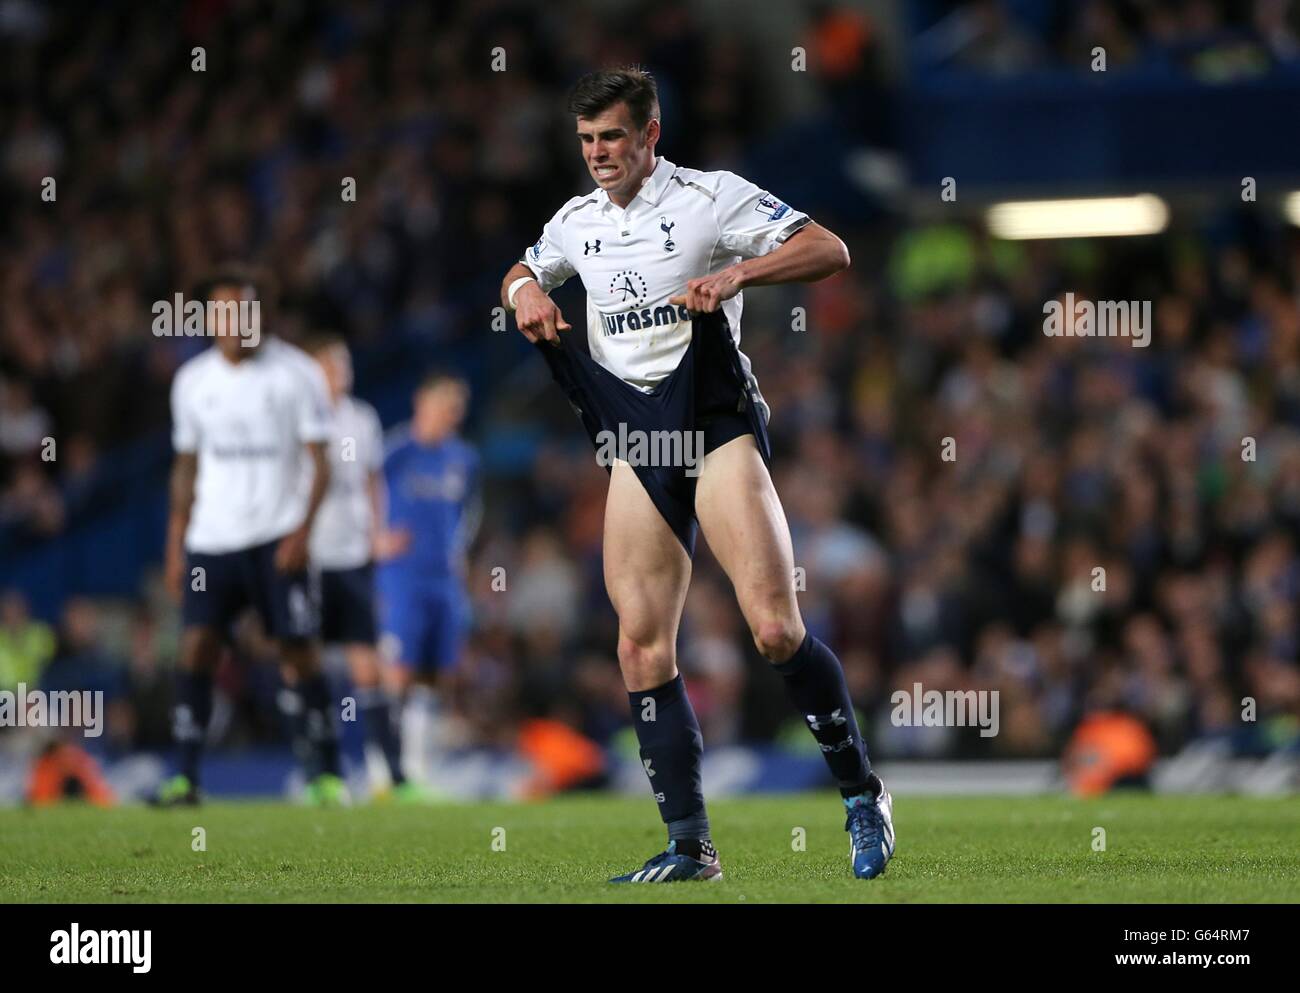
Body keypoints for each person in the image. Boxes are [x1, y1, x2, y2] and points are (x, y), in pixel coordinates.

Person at [500, 67, 893, 882]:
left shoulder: (712, 197)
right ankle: (690, 846)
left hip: (712, 421)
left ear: (650, 135)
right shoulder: (574, 222)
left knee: (775, 628)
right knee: (642, 648)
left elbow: (829, 247)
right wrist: (526, 292)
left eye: (612, 137)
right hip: (636, 439)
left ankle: (863, 795)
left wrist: (741, 273)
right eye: (586, 141)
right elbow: (520, 270)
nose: (599, 154)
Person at [158, 266, 344, 806]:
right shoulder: (192, 382)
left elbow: (322, 461)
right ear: (208, 318)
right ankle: (184, 777)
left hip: (276, 537)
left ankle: (325, 773)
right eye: (224, 311)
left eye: (246, 309)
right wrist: (176, 544)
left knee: (298, 650)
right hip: (211, 540)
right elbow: (185, 468)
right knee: (195, 647)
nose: (236, 321)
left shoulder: (297, 373)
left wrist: (303, 530)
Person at [306, 334, 421, 800]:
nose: (342, 371)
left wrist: (377, 533)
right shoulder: (300, 418)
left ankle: (393, 775)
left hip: (353, 555)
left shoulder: (363, 418)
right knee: (307, 666)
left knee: (368, 667)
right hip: (310, 555)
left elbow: (374, 481)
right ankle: (323, 774)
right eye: (332, 363)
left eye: (345, 362)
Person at [376, 371, 479, 787]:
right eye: (444, 407)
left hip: (444, 578)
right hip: (401, 577)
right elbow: (359, 491)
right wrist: (373, 539)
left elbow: (471, 512)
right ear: (422, 402)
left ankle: (417, 766)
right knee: (397, 670)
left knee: (436, 674)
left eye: (457, 410)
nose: (450, 417)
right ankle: (381, 766)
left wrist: (460, 552)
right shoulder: (394, 451)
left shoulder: (464, 459)